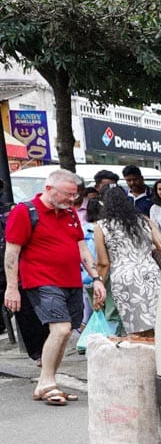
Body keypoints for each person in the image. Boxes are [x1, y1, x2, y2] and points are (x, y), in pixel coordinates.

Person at [3, 169, 106, 405]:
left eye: (74, 195)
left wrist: (96, 278)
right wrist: (12, 288)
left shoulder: (69, 213)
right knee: (60, 329)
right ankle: (47, 382)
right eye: (68, 194)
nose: (72, 200)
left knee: (65, 332)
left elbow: (82, 249)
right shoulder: (25, 212)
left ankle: (46, 382)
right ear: (50, 189)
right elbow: (12, 252)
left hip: (71, 281)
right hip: (42, 281)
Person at [93, 186, 161, 337]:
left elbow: (103, 263)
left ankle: (143, 355)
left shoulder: (102, 226)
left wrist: (98, 289)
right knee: (159, 320)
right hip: (151, 273)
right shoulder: (143, 220)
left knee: (136, 326)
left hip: (124, 278)